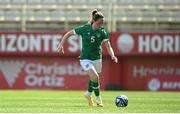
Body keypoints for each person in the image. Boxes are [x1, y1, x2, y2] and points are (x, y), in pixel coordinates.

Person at [57, 9, 118, 107]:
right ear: (95, 20)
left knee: (94, 79)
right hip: (85, 58)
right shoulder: (85, 28)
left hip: (97, 57)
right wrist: (61, 44)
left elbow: (108, 45)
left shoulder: (103, 32)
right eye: (100, 21)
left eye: (103, 22)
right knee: (95, 77)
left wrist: (113, 55)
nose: (102, 23)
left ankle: (88, 94)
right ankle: (98, 99)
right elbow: (68, 34)